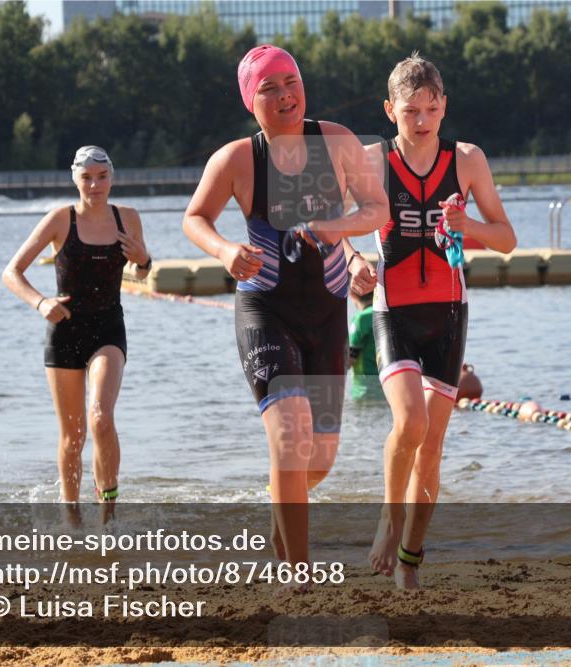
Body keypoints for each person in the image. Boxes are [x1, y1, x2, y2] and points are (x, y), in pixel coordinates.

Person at [182, 45, 388, 571]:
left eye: (290, 82)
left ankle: (281, 500)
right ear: (250, 101)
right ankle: (297, 571)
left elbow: (376, 207)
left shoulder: (337, 141)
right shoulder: (235, 159)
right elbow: (195, 218)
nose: (283, 95)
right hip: (265, 311)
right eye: (268, 88)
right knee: (290, 438)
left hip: (327, 312)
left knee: (318, 459)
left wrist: (342, 235)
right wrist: (225, 251)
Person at [349, 54, 517, 589]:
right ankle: (388, 517)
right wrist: (352, 262)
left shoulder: (467, 160)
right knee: (410, 424)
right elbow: (330, 227)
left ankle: (410, 559)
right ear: (389, 110)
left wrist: (469, 225)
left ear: (444, 106)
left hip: (448, 313)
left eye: (431, 109)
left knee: (433, 445)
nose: (421, 121)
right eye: (410, 111)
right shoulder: (372, 161)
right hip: (393, 311)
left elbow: (507, 239)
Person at [2, 146, 151, 506]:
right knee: (73, 436)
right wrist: (41, 302)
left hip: (108, 330)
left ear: (112, 178)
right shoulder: (59, 219)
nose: (94, 185)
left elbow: (142, 273)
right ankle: (71, 517)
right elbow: (11, 272)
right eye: (86, 178)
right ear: (75, 180)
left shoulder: (128, 218)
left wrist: (144, 260)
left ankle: (107, 514)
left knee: (101, 417)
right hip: (65, 332)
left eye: (102, 177)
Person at [348, 287, 382, 401]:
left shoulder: (361, 319)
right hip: (389, 388)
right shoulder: (387, 314)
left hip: (365, 390)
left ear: (352, 294)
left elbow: (350, 359)